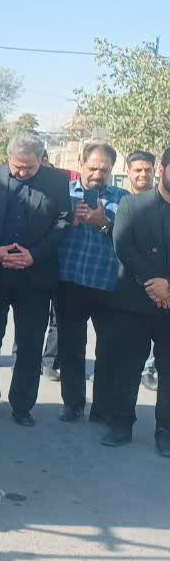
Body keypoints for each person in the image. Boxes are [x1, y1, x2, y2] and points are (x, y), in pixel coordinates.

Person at [0, 133, 71, 426]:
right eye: (17, 166)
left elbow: (63, 221)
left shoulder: (57, 181)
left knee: (29, 344)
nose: (22, 172)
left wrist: (34, 255)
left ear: (41, 159)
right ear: (7, 157)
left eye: (29, 167)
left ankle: (22, 406)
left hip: (34, 275)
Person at [54, 143, 127, 424]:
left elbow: (130, 241)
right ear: (81, 164)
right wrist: (67, 221)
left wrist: (105, 224)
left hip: (107, 284)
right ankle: (72, 403)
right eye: (93, 167)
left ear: (112, 170)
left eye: (104, 169)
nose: (98, 174)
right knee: (71, 347)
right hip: (69, 282)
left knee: (108, 350)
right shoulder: (62, 195)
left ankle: (102, 407)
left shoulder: (123, 199)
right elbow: (44, 231)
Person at [108, 146, 170, 456]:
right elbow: (123, 245)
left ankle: (165, 431)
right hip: (134, 299)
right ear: (162, 170)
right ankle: (121, 424)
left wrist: (168, 287)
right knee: (127, 365)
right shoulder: (132, 204)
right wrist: (153, 282)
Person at [126, 150, 159, 391]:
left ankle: (149, 369)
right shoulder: (120, 200)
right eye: (138, 170)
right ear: (128, 172)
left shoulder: (162, 202)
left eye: (148, 170)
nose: (143, 174)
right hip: (122, 279)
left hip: (156, 281)